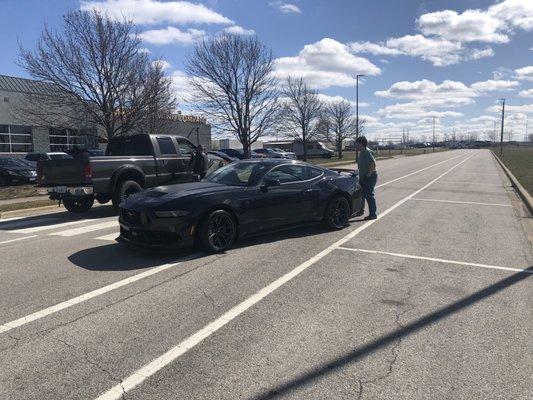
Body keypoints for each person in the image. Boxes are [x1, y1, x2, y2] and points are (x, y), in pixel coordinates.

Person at [355, 136, 377, 220]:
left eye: (357, 144)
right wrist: (358, 171)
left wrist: (369, 174)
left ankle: (373, 214)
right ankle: (361, 210)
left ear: (361, 144)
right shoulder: (361, 152)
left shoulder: (367, 152)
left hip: (369, 177)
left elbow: (373, 164)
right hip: (363, 176)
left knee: (369, 195)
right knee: (361, 194)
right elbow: (362, 164)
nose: (356, 146)